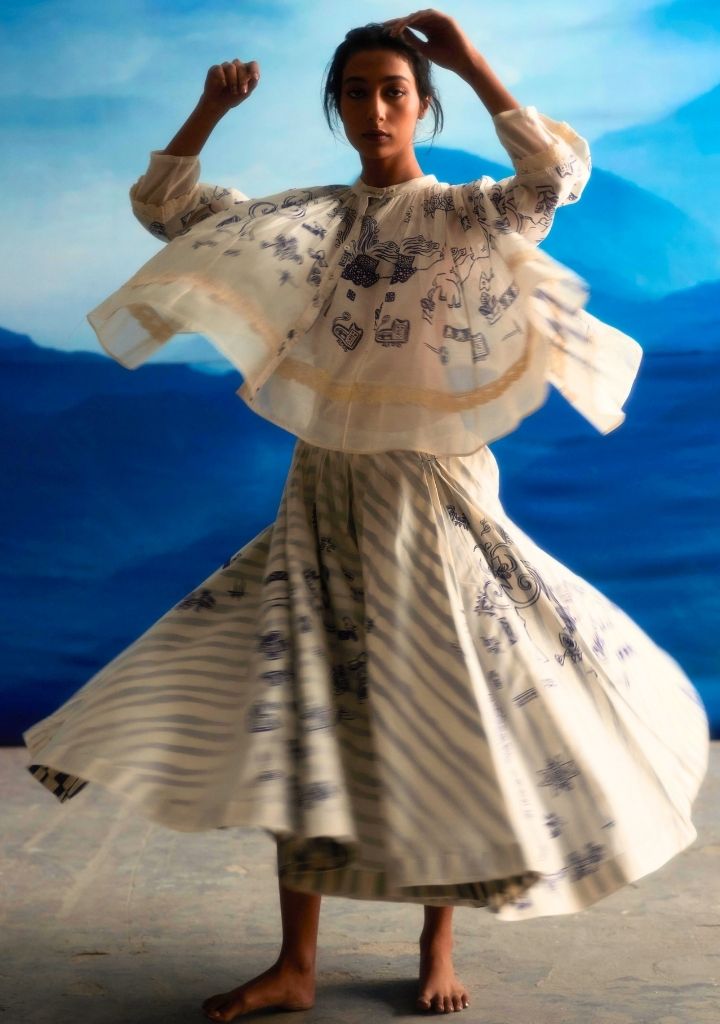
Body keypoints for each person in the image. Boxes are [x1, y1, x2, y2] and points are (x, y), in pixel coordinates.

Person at [22, 10, 710, 1022]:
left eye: (395, 92)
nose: (376, 108)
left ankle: (437, 939)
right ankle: (295, 964)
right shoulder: (313, 222)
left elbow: (554, 179)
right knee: (305, 707)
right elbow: (167, 210)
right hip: (326, 489)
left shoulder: (468, 213)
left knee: (448, 701)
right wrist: (209, 108)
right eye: (357, 92)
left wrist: (469, 60)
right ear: (337, 107)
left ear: (422, 107)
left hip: (433, 488)